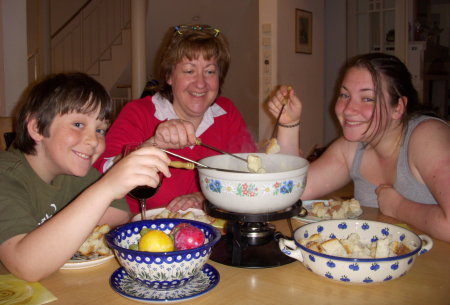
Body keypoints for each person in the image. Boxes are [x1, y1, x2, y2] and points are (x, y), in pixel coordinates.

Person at [0, 73, 171, 281]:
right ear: (37, 128)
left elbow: (118, 215)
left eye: (100, 130)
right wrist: (106, 187)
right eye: (78, 125)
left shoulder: (72, 170)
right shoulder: (6, 175)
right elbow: (26, 266)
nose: (93, 141)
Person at [268, 53, 450, 242]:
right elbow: (287, 193)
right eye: (345, 95)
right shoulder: (352, 147)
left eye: (367, 98)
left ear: (398, 107)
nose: (347, 109)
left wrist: (399, 207)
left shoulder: (428, 135)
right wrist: (288, 124)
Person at [94, 24, 257, 214]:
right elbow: (101, 172)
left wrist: (203, 197)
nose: (201, 83)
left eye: (210, 71)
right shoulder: (138, 113)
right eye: (189, 71)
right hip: (144, 232)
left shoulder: (227, 112)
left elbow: (248, 174)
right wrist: (152, 145)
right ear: (169, 76)